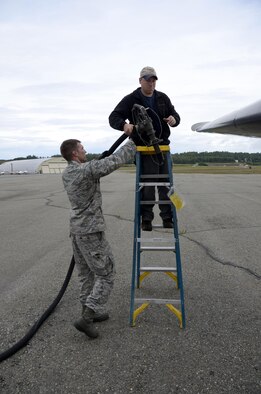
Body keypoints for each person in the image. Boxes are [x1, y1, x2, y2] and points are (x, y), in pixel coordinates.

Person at [60, 138, 136, 338]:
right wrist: (132, 141)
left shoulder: (68, 172)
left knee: (86, 274)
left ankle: (88, 313)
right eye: (82, 148)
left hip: (77, 231)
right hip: (91, 231)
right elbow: (116, 161)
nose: (85, 151)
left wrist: (95, 163)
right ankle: (86, 318)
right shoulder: (86, 170)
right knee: (106, 273)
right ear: (75, 154)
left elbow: (93, 169)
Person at [109, 66, 180, 231]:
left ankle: (168, 217)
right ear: (140, 80)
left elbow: (176, 116)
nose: (151, 82)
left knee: (166, 184)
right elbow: (113, 117)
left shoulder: (163, 98)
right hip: (144, 150)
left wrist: (173, 120)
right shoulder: (130, 99)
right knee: (148, 185)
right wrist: (124, 125)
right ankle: (146, 219)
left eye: (154, 79)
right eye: (148, 79)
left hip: (163, 147)